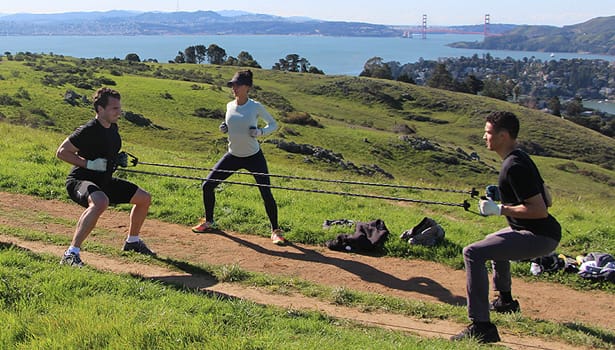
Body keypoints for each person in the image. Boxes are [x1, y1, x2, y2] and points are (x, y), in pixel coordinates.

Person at [452, 111, 561, 343]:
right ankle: (506, 302)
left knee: (473, 252)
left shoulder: (513, 166)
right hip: (540, 231)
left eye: (488, 132)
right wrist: (504, 195)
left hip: (538, 236)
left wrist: (500, 209)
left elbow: (540, 209)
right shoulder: (520, 157)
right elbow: (547, 198)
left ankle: (481, 325)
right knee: (492, 243)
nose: (484, 137)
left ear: (503, 136)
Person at [56, 87, 155, 267]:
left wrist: (117, 159)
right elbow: (62, 152)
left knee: (144, 198)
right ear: (100, 109)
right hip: (80, 180)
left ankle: (132, 242)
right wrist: (89, 164)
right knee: (100, 202)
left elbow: (105, 152)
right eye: (114, 108)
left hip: (104, 181)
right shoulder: (88, 130)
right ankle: (71, 254)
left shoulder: (113, 128)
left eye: (119, 107)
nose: (119, 112)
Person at [191, 70, 285, 245]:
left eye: (237, 85)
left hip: (253, 157)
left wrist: (261, 132)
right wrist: (225, 127)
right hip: (233, 155)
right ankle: (209, 222)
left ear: (247, 87)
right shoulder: (229, 106)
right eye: (232, 85)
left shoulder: (255, 106)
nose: (234, 88)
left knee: (266, 193)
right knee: (207, 186)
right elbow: (231, 124)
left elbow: (274, 124)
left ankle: (276, 231)